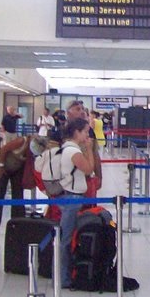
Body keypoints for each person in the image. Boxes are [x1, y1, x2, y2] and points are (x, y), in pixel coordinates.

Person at [53, 117, 99, 285]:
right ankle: (62, 277)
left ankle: (64, 274)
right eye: (85, 131)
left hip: (69, 196)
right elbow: (89, 169)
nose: (88, 134)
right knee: (65, 239)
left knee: (66, 236)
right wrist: (89, 149)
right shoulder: (74, 151)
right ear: (77, 132)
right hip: (72, 198)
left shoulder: (66, 148)